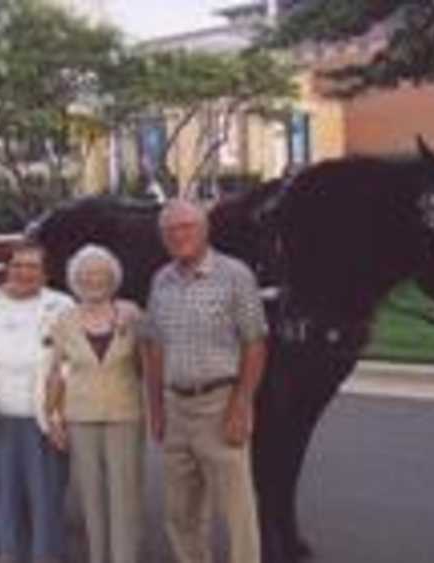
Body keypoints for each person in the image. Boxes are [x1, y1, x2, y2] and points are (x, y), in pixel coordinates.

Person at [142, 200, 268, 563]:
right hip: (175, 408)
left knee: (237, 512)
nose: (177, 236)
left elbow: (254, 342)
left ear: (204, 229)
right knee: (181, 513)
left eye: (186, 227)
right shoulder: (160, 280)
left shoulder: (235, 275)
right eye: (169, 231)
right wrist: (156, 410)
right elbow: (153, 346)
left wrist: (241, 406)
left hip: (219, 404)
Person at [0, 242, 74, 563]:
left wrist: (58, 414)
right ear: (7, 269)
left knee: (46, 498)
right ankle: (8, 554)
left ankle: (47, 556)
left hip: (45, 419)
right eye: (17, 265)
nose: (24, 272)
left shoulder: (62, 305)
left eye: (33, 267)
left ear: (45, 274)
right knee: (4, 497)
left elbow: (71, 363)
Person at [45, 245, 145, 563]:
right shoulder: (64, 320)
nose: (94, 280)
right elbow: (56, 374)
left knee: (124, 496)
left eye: (101, 274)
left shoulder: (130, 314)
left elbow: (148, 364)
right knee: (91, 498)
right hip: (80, 416)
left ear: (113, 278)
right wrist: (53, 417)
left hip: (124, 414)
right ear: (75, 280)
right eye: (86, 275)